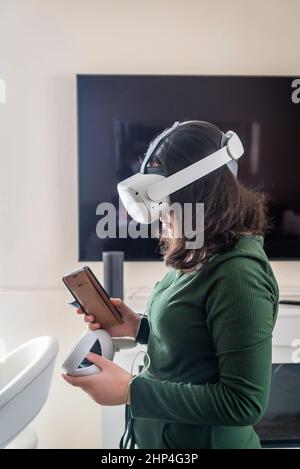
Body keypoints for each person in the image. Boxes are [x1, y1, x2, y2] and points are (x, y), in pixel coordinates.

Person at [63, 121, 279, 449]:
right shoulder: (200, 250)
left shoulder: (239, 275)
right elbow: (197, 343)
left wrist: (129, 391)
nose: (159, 215)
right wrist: (139, 327)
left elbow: (243, 402)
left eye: (165, 200)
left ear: (200, 193)